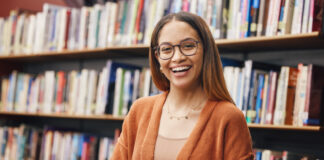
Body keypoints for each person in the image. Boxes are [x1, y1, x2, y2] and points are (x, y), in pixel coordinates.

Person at [111, 12, 254, 160]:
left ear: (205, 51)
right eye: (166, 49)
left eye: (188, 46)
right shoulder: (139, 111)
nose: (178, 57)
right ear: (157, 57)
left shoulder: (229, 117)